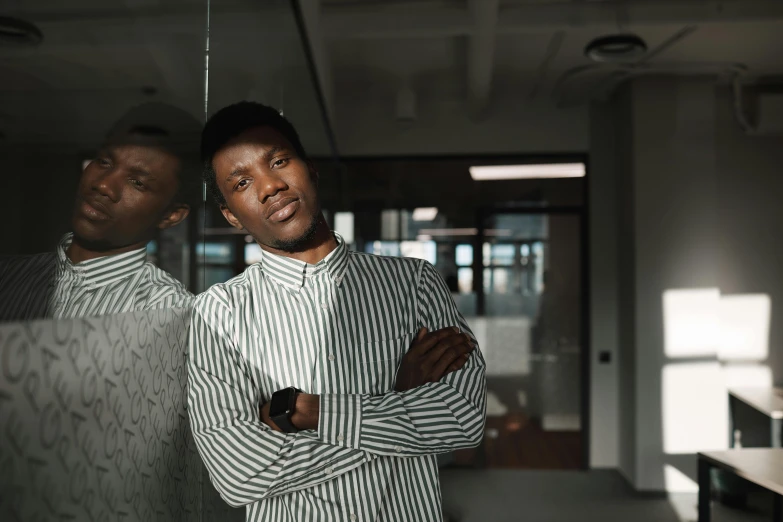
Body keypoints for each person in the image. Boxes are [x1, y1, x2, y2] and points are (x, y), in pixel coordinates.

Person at [188, 101, 487, 522]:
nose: (270, 186)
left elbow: (463, 419)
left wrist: (310, 413)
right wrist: (395, 399)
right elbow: (238, 477)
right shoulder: (216, 316)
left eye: (279, 161)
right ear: (231, 216)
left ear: (310, 169)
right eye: (242, 184)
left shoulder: (414, 283)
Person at [0, 103, 200, 321]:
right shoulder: (9, 274)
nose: (103, 185)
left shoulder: (167, 309)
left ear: (171, 215)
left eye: (138, 182)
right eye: (104, 162)